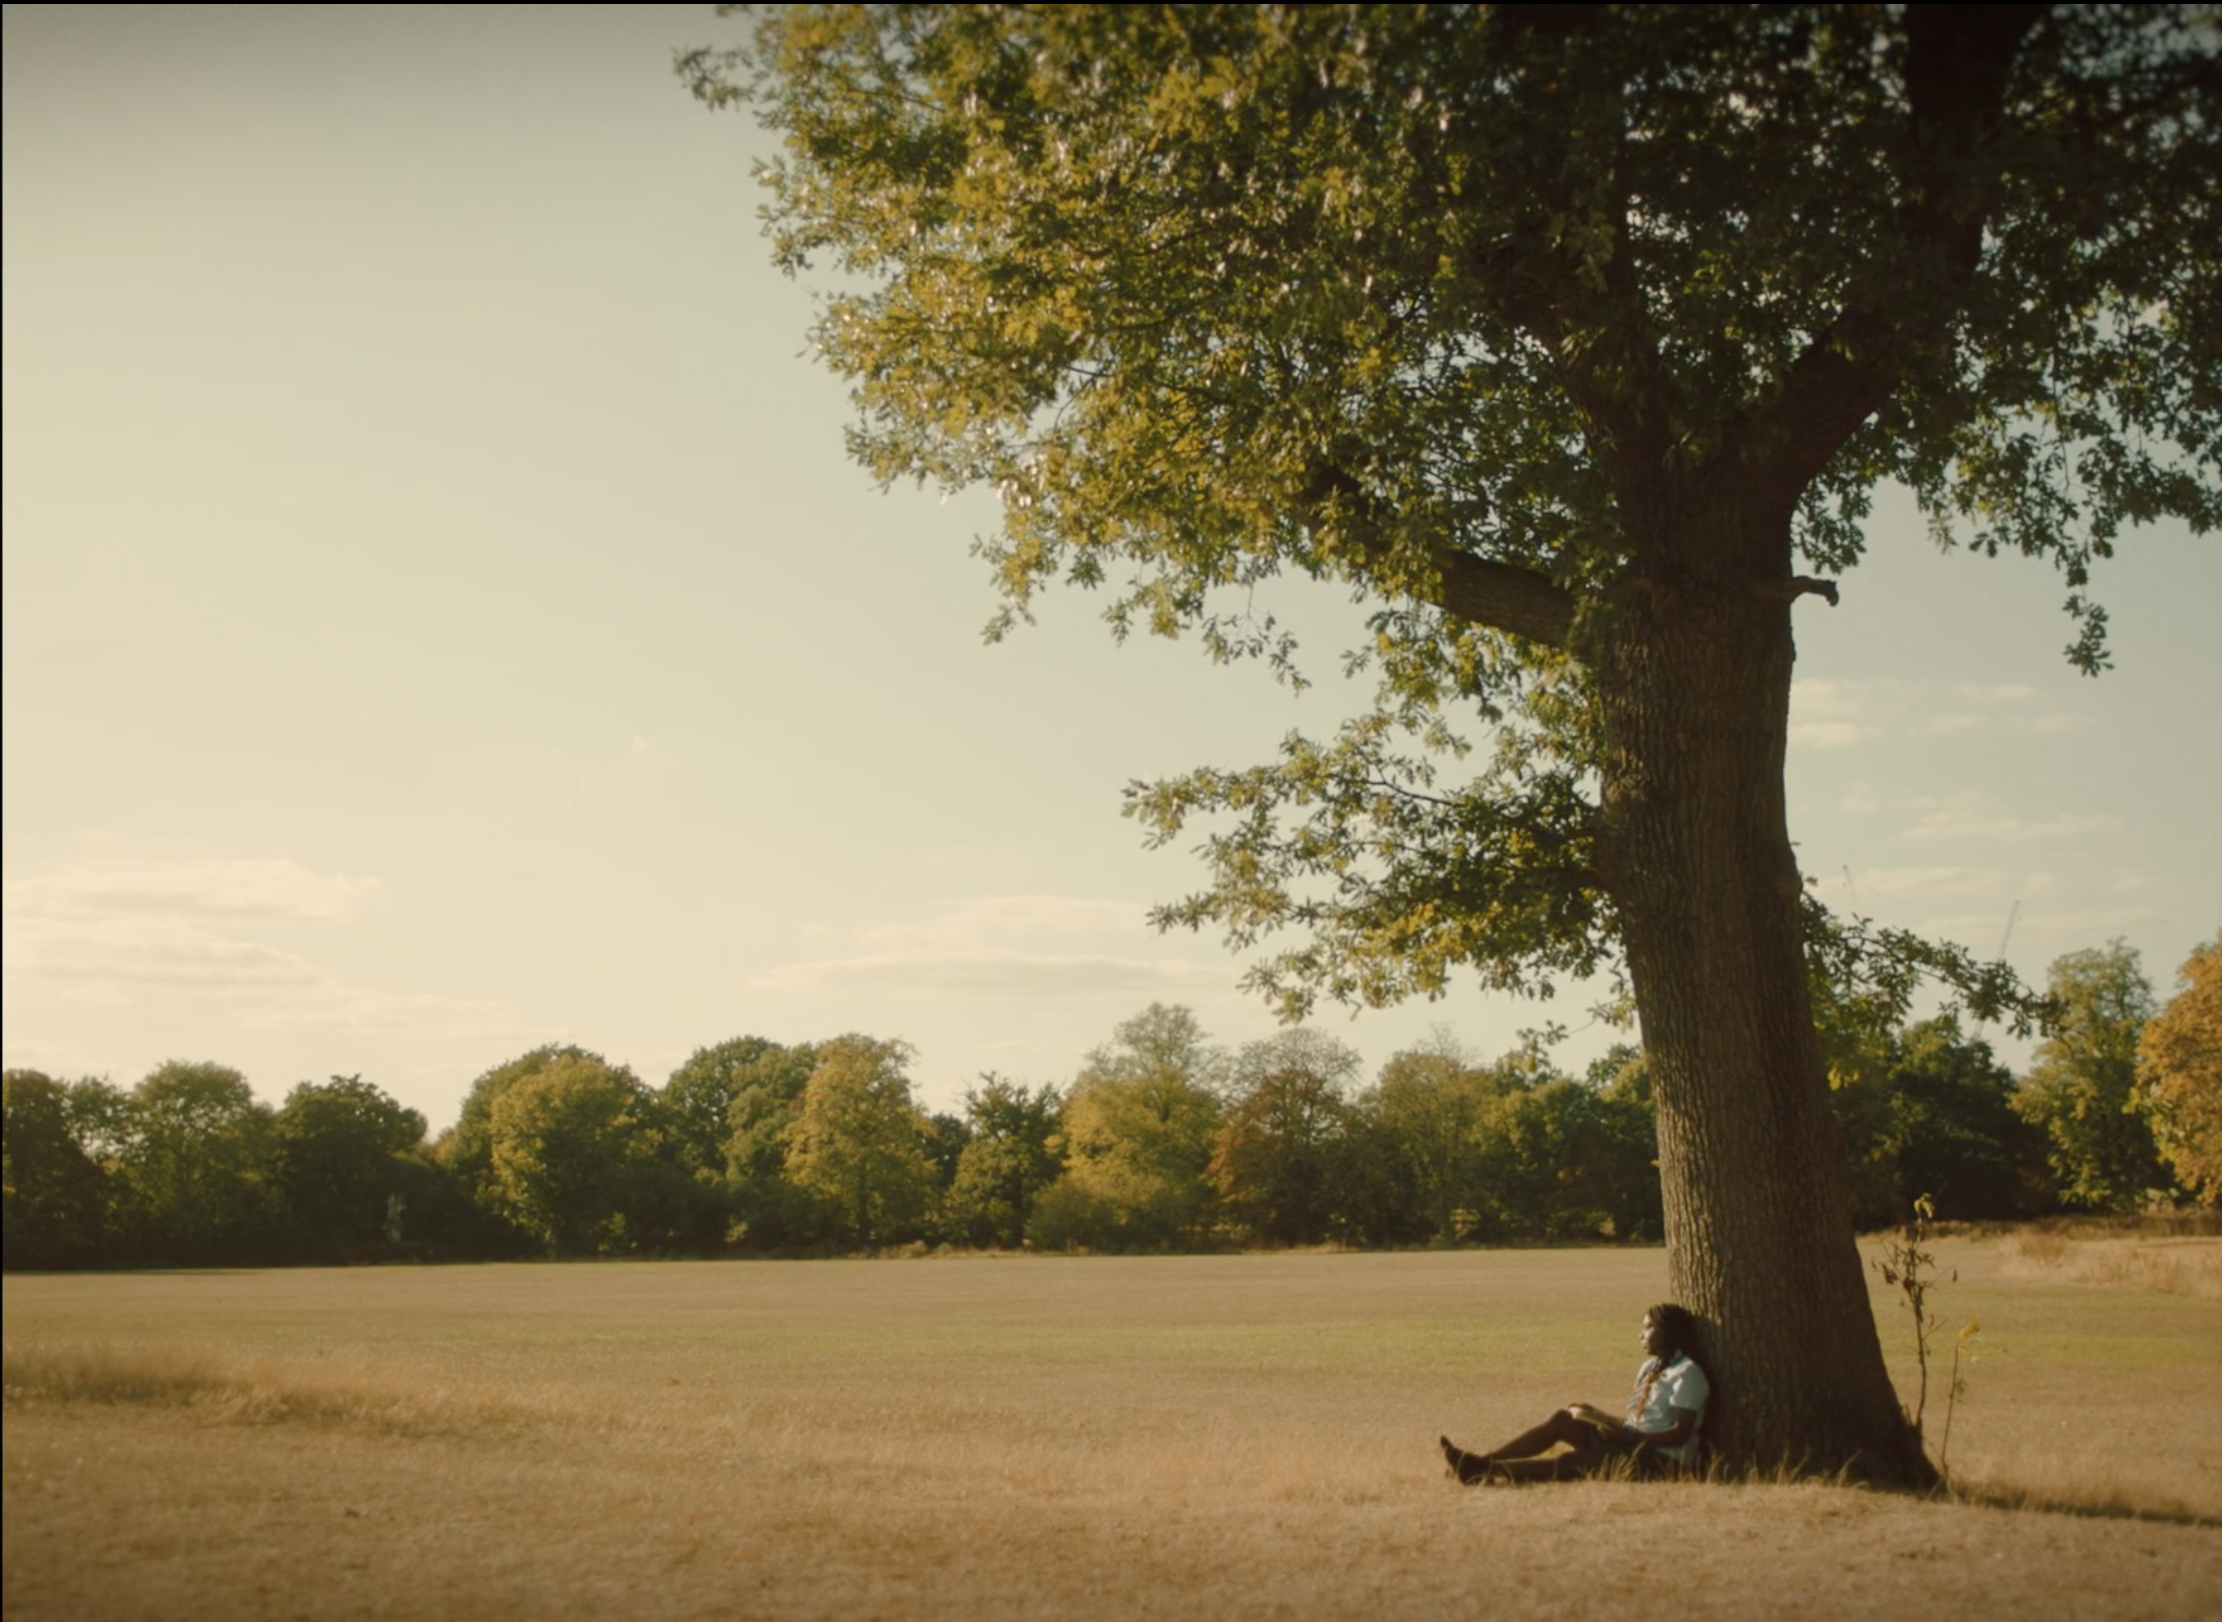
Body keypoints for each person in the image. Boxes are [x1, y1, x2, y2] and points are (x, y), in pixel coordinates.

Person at [1439, 1302, 1709, 1484]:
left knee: (1573, 1462)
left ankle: (1484, 1471)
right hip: (1630, 1443)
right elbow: (1639, 1423)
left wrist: (1629, 1439)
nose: (1641, 1334)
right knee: (1563, 1419)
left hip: (1659, 1461)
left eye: (1649, 1327)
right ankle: (1478, 1463)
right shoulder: (1650, 1367)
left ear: (1669, 1332)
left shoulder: (1687, 1373)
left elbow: (1680, 1434)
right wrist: (1598, 1417)